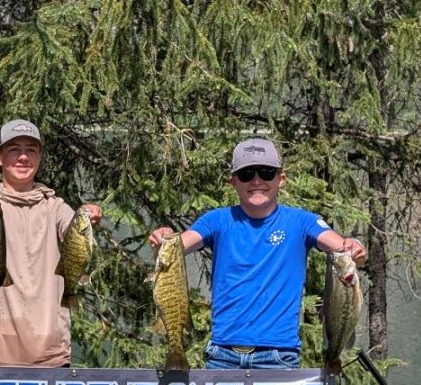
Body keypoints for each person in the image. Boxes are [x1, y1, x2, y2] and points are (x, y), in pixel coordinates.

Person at [149, 136, 366, 370]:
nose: (256, 180)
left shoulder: (302, 221)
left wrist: (354, 246)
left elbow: (342, 248)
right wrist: (162, 238)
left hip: (279, 356)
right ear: (233, 181)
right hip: (222, 355)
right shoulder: (216, 221)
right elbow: (176, 246)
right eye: (246, 174)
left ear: (281, 179)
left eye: (266, 172)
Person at [0, 119, 101, 367]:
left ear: (40, 157)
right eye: (14, 149)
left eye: (31, 150)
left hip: (51, 356)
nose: (23, 157)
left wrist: (88, 216)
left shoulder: (56, 207)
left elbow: (73, 229)